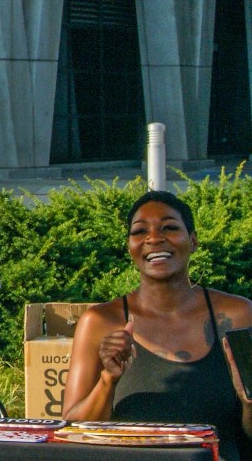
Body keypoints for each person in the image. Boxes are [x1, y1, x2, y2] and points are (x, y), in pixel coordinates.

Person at [63, 190, 252, 460]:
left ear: (194, 240)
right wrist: (108, 380)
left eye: (170, 227)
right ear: (129, 247)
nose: (153, 238)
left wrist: (248, 402)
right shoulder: (100, 322)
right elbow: (73, 432)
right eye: (140, 231)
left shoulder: (238, 314)